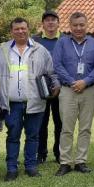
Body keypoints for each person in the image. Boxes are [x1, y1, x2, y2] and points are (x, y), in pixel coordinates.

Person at [0, 18, 60, 181]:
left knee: (33, 135)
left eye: (23, 28)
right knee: (13, 135)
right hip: (12, 104)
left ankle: (31, 166)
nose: (20, 31)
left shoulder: (40, 50)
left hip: (34, 101)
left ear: (28, 29)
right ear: (11, 31)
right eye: (16, 29)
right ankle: (11, 168)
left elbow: (51, 72)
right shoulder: (2, 50)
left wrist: (56, 85)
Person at [51, 12, 94, 176]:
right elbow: (57, 65)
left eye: (82, 25)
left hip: (89, 90)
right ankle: (65, 162)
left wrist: (85, 82)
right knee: (67, 128)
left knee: (85, 128)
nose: (78, 28)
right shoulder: (62, 43)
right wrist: (73, 82)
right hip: (68, 90)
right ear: (69, 26)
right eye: (75, 25)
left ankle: (80, 161)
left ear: (87, 25)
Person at [33, 10, 63, 164]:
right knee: (41, 122)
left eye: (53, 20)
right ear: (43, 24)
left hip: (61, 87)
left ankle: (59, 153)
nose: (50, 23)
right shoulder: (34, 41)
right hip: (40, 87)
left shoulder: (65, 40)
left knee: (60, 122)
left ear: (58, 23)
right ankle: (41, 153)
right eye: (47, 20)